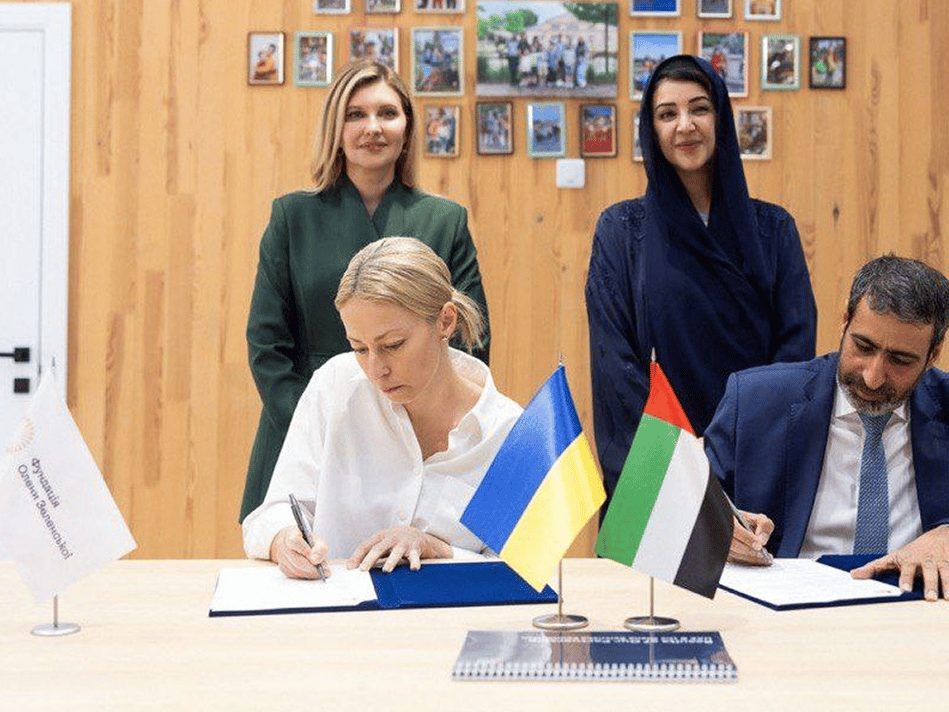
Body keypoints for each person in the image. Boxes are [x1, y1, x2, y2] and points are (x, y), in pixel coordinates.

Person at [708, 255, 949, 600]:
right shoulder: (755, 399)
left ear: (933, 354)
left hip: (920, 603)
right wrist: (717, 527)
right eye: (863, 346)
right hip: (789, 606)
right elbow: (679, 502)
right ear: (845, 321)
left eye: (900, 360)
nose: (873, 377)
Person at [240, 61, 491, 522]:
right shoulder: (292, 217)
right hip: (306, 432)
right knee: (294, 551)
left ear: (407, 128)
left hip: (417, 435)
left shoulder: (445, 220)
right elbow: (267, 346)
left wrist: (418, 421)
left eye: (387, 113)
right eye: (355, 114)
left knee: (414, 554)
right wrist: (321, 425)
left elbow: (469, 341)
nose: (372, 127)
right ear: (335, 128)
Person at [586, 55, 817, 496]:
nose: (685, 125)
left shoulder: (773, 230)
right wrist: (678, 470)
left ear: (721, 119)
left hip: (753, 460)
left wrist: (732, 451)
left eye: (699, 109)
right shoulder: (621, 231)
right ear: (651, 130)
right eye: (667, 114)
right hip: (657, 467)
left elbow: (794, 356)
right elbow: (614, 364)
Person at [242, 237, 522, 576]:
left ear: (445, 321)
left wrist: (441, 550)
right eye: (359, 348)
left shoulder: (509, 433)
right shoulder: (334, 385)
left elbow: (520, 570)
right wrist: (284, 539)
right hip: (338, 608)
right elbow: (272, 514)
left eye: (393, 344)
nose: (376, 370)